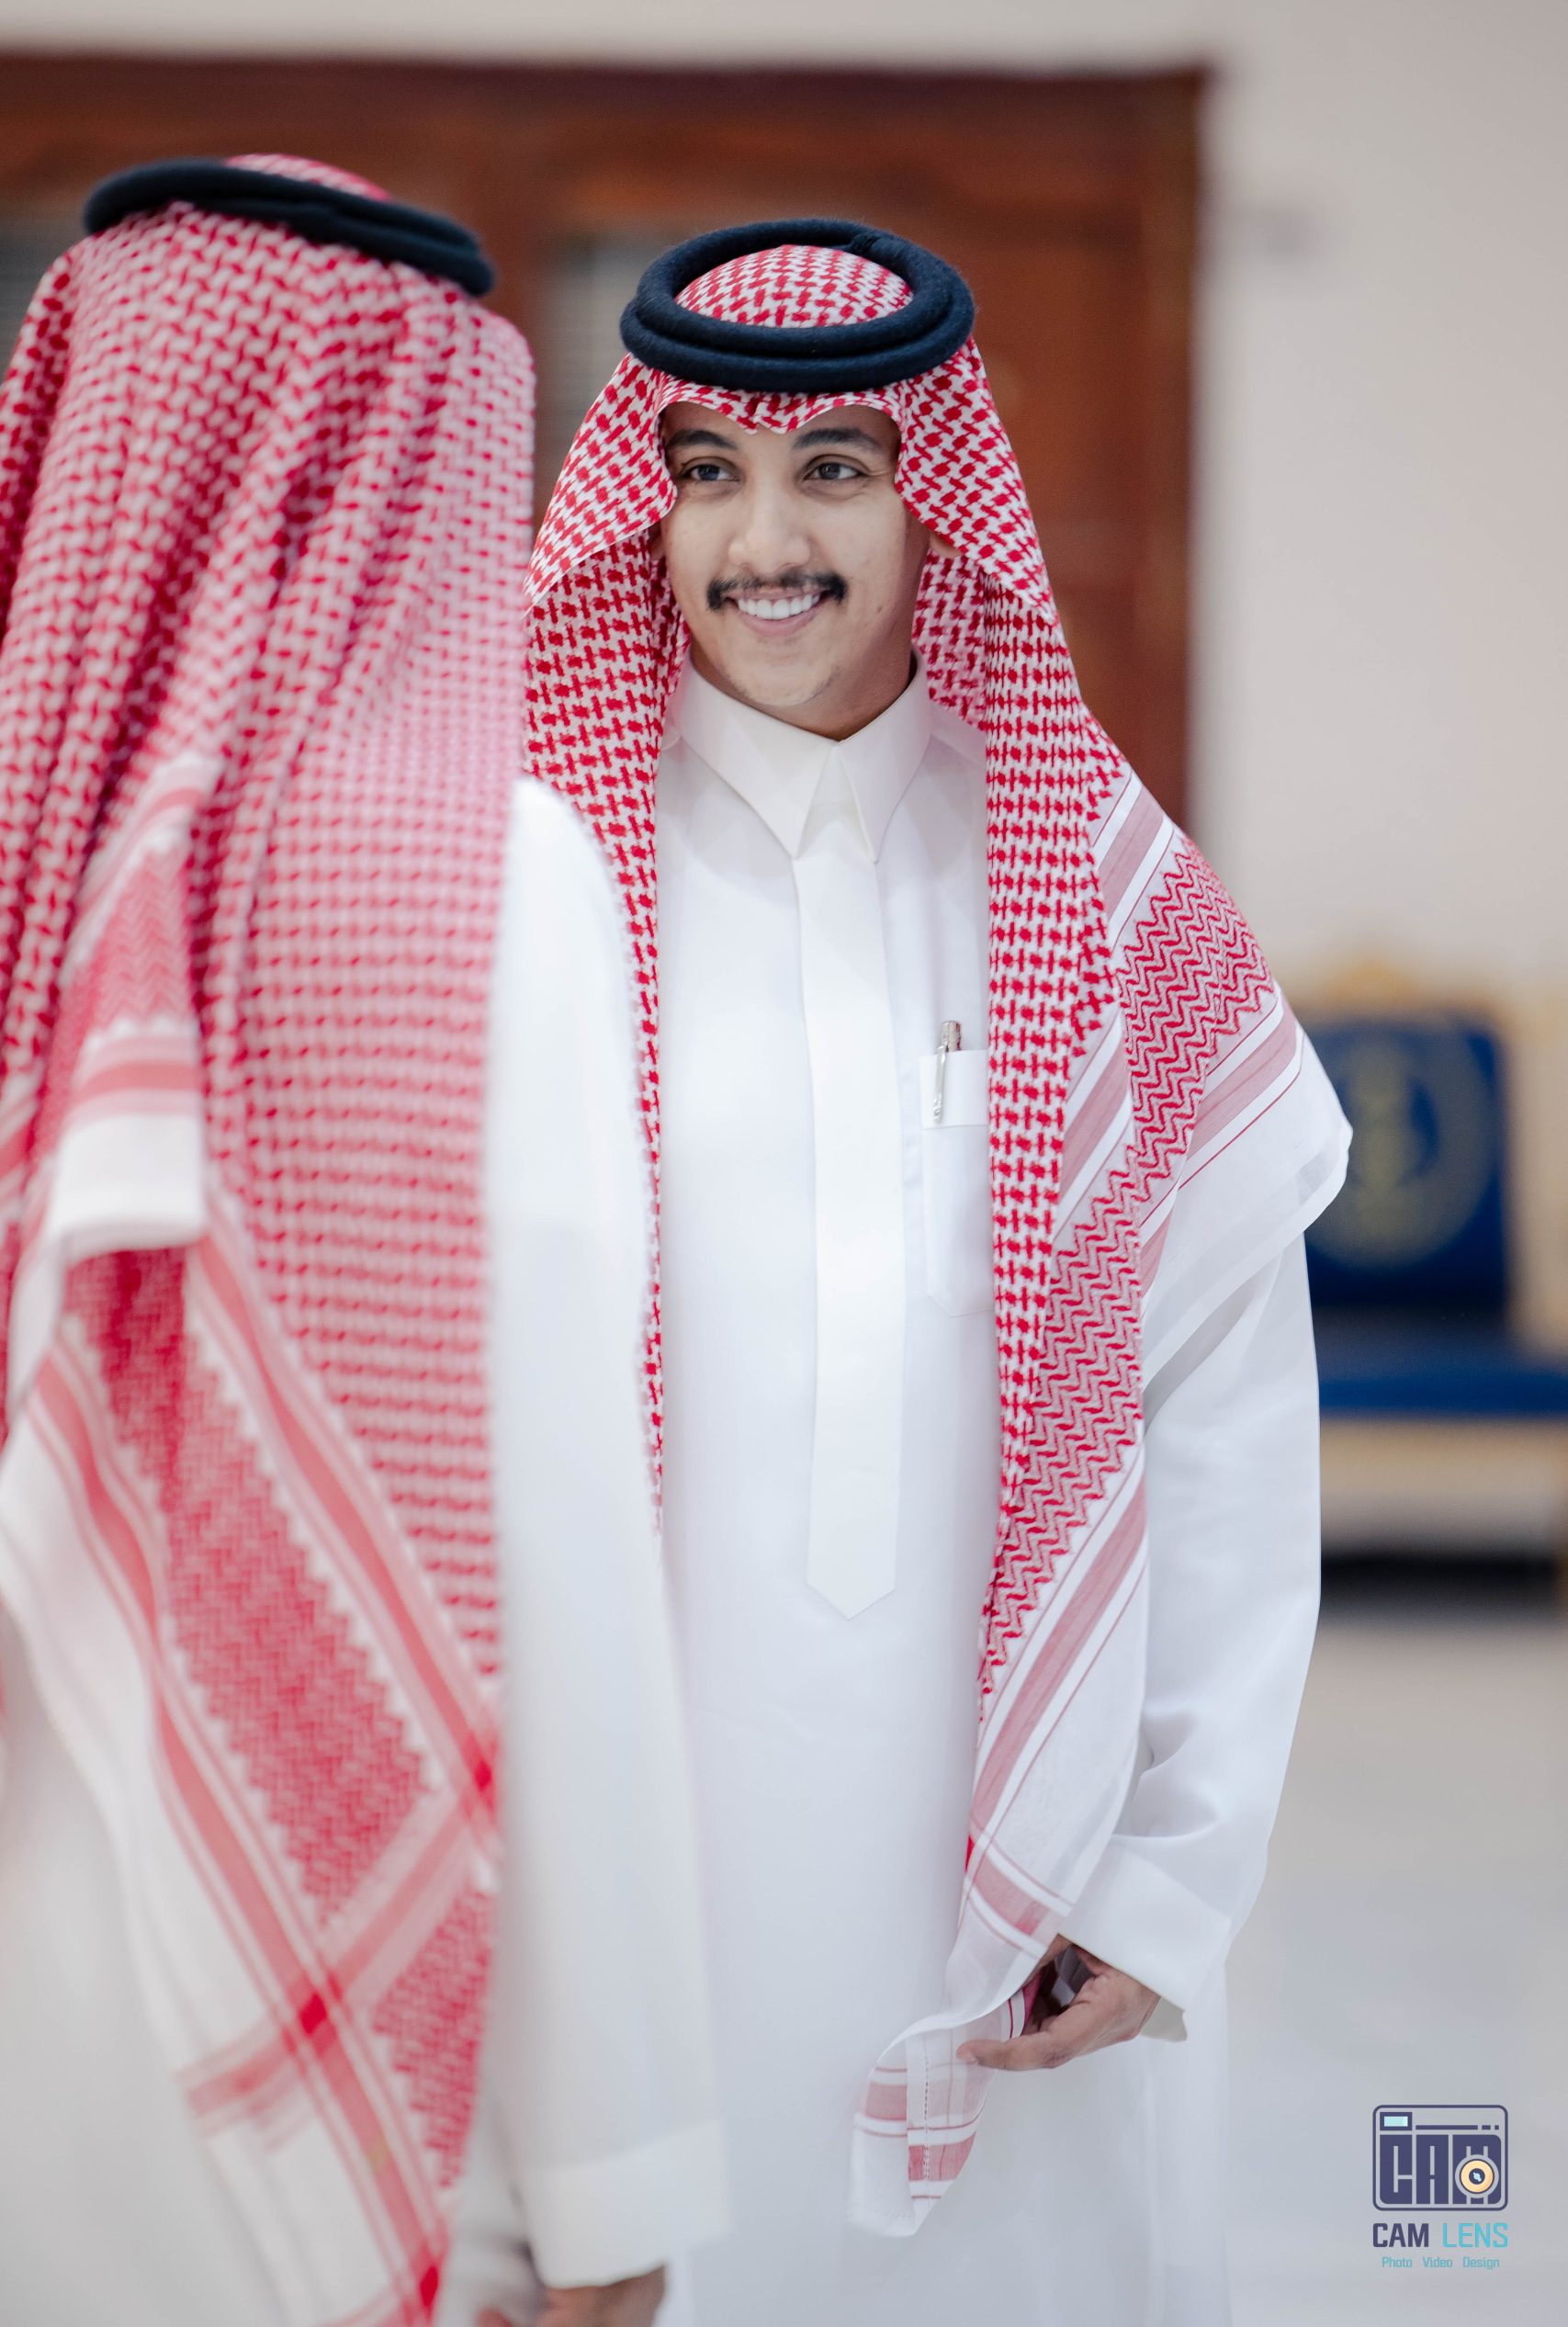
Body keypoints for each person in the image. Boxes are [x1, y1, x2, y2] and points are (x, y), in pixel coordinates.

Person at [487, 220, 1351, 2327]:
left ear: (932, 501)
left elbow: (1227, 1416)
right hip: (627, 1876)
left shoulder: (1106, 891)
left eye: (834, 471)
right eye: (703, 472)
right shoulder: (526, 879)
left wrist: (1165, 1866)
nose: (761, 539)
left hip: (1019, 1893)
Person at [0, 160, 724, 2327]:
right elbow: (552, 1539)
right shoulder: (495, 881)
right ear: (428, 454)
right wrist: (610, 2161)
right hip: (281, 2040)